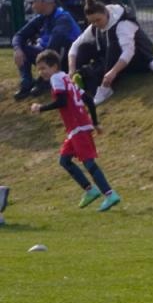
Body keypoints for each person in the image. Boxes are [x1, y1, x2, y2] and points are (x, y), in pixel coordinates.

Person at [29, 48, 120, 212]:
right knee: (64, 160)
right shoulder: (66, 78)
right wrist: (95, 122)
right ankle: (90, 190)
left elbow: (62, 102)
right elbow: (88, 100)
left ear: (54, 66)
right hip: (77, 127)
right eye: (39, 69)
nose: (41, 72)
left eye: (43, 68)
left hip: (78, 127)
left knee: (89, 162)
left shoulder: (56, 78)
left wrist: (41, 108)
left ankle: (109, 194)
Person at [68, 0, 153, 109]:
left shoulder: (122, 23)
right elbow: (75, 45)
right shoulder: (95, 27)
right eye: (92, 22)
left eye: (98, 20)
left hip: (139, 58)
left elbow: (128, 52)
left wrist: (113, 72)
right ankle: (73, 81)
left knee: (113, 45)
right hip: (114, 57)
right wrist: (72, 69)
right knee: (83, 47)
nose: (96, 24)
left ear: (106, 13)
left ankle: (105, 88)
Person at [11, 0, 81, 99]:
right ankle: (27, 81)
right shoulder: (42, 17)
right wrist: (17, 49)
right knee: (21, 48)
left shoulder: (63, 18)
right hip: (48, 54)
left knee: (59, 45)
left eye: (34, 2)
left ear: (44, 2)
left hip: (65, 60)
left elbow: (54, 46)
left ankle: (45, 80)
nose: (32, 5)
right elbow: (19, 36)